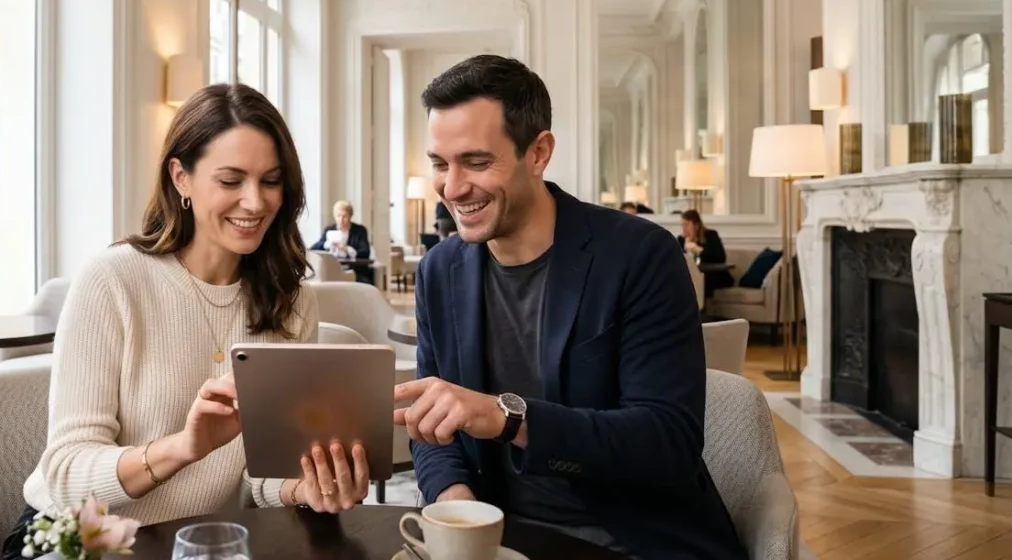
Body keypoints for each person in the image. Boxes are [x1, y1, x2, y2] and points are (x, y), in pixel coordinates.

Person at [394, 55, 745, 559]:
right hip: (502, 539)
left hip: (632, 541)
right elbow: (431, 431)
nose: (451, 187)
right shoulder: (438, 271)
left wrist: (505, 418)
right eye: (438, 163)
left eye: (475, 162)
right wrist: (458, 509)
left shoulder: (640, 255)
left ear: (538, 153)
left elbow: (668, 442)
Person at [2, 84, 369, 560]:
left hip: (206, 543)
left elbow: (262, 470)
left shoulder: (291, 300)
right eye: (231, 181)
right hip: (75, 539)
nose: (256, 203)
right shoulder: (113, 281)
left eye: (271, 180)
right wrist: (183, 448)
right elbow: (67, 474)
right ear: (181, 178)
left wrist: (306, 487)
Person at [309, 200, 373, 284]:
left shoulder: (360, 230)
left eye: (344, 216)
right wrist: (326, 244)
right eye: (338, 216)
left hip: (355, 270)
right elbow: (314, 248)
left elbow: (365, 252)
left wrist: (346, 249)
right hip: (332, 270)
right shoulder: (329, 230)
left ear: (350, 216)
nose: (341, 220)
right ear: (334, 216)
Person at [678, 209, 734, 297]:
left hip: (714, 276)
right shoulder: (681, 240)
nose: (683, 229)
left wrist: (699, 249)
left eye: (686, 225)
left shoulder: (711, 235)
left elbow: (720, 257)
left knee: (701, 281)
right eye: (682, 225)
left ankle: (702, 309)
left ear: (696, 225)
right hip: (692, 276)